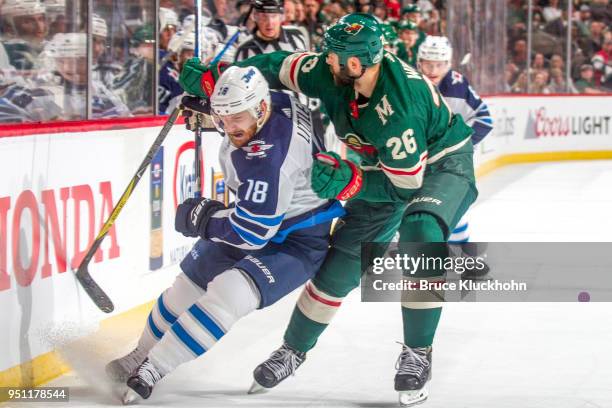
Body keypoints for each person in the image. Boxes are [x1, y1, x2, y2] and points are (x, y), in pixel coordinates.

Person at [180, 12, 477, 407]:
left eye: (333, 55)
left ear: (355, 64)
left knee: (420, 232)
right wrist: (225, 75)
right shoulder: (331, 70)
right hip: (380, 169)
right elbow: (276, 67)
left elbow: (408, 186)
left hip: (441, 166)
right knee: (338, 268)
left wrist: (353, 181)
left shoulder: (400, 106)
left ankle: (418, 353)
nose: (325, 59)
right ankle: (293, 349)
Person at [106, 65, 344, 403]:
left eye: (237, 119)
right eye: (223, 118)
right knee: (185, 287)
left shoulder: (269, 161)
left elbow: (252, 234)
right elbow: (240, 103)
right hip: (262, 216)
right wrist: (212, 107)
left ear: (261, 109)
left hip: (298, 238)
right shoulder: (272, 101)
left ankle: (154, 368)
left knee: (230, 293)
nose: (230, 127)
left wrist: (205, 221)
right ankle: (138, 354)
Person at [416, 36, 493, 250]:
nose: (432, 69)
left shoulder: (457, 86)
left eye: (439, 64)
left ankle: (465, 247)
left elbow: (485, 120)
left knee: (451, 203)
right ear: (418, 62)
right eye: (428, 63)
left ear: (448, 64)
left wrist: (460, 146)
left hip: (451, 160)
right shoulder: (409, 84)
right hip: (418, 159)